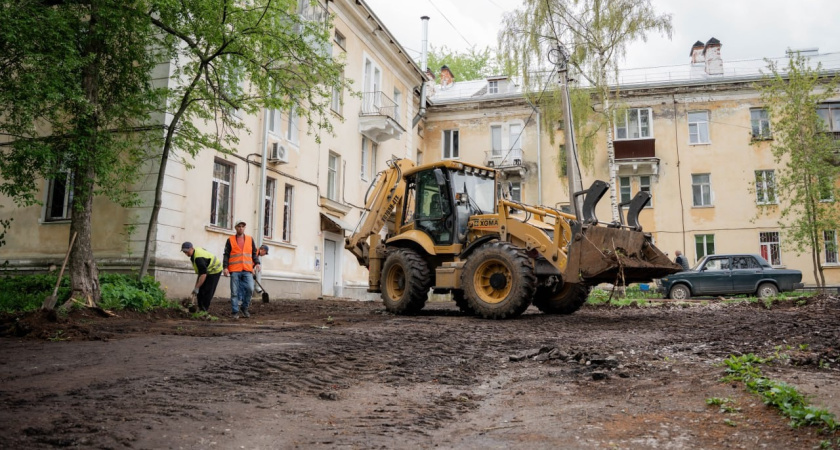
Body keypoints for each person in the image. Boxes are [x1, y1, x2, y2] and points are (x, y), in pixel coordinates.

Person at [223, 219, 261, 319]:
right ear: (236, 228)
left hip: (247, 269)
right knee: (234, 292)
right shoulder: (230, 240)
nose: (241, 228)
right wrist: (225, 267)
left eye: (243, 226)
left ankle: (244, 307)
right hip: (235, 270)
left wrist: (257, 263)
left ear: (244, 228)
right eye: (239, 226)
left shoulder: (249, 239)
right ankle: (235, 312)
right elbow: (226, 254)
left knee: (250, 288)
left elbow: (254, 253)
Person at [181, 242, 222, 312]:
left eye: (187, 251)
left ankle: (203, 310)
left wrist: (196, 287)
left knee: (207, 290)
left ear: (191, 248)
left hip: (215, 270)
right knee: (200, 290)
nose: (186, 253)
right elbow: (201, 272)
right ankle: (199, 307)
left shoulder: (198, 258)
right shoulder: (194, 255)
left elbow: (203, 275)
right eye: (184, 252)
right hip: (207, 270)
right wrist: (197, 287)